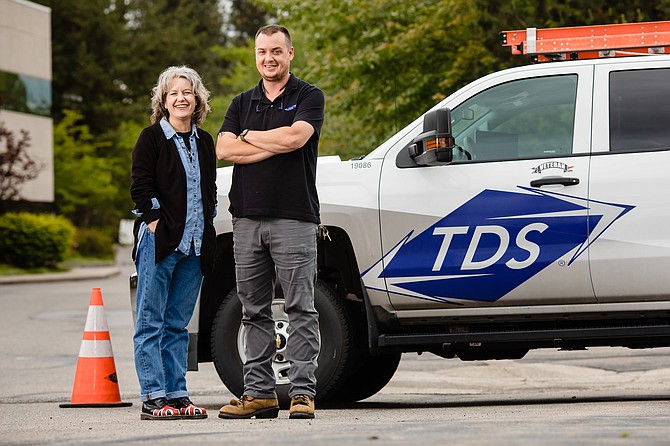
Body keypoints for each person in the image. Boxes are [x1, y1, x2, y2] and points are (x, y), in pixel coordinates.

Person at [216, 24, 325, 420]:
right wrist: (267, 141)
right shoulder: (241, 101)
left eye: (276, 51)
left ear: (290, 53)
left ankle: (301, 394)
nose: (269, 58)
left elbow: (296, 139)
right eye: (262, 52)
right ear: (256, 56)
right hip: (245, 219)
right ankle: (259, 393)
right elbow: (224, 148)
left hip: (294, 217)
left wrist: (249, 138)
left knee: (301, 308)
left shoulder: (309, 95)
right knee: (253, 311)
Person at [130, 65, 217, 420]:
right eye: (173, 93)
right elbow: (140, 186)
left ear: (197, 99)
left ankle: (177, 394)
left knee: (177, 325)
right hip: (160, 243)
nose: (181, 98)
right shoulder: (150, 138)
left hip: (195, 247)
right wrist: (153, 223)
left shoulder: (205, 141)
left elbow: (208, 190)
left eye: (187, 92)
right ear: (163, 101)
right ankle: (153, 396)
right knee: (150, 321)